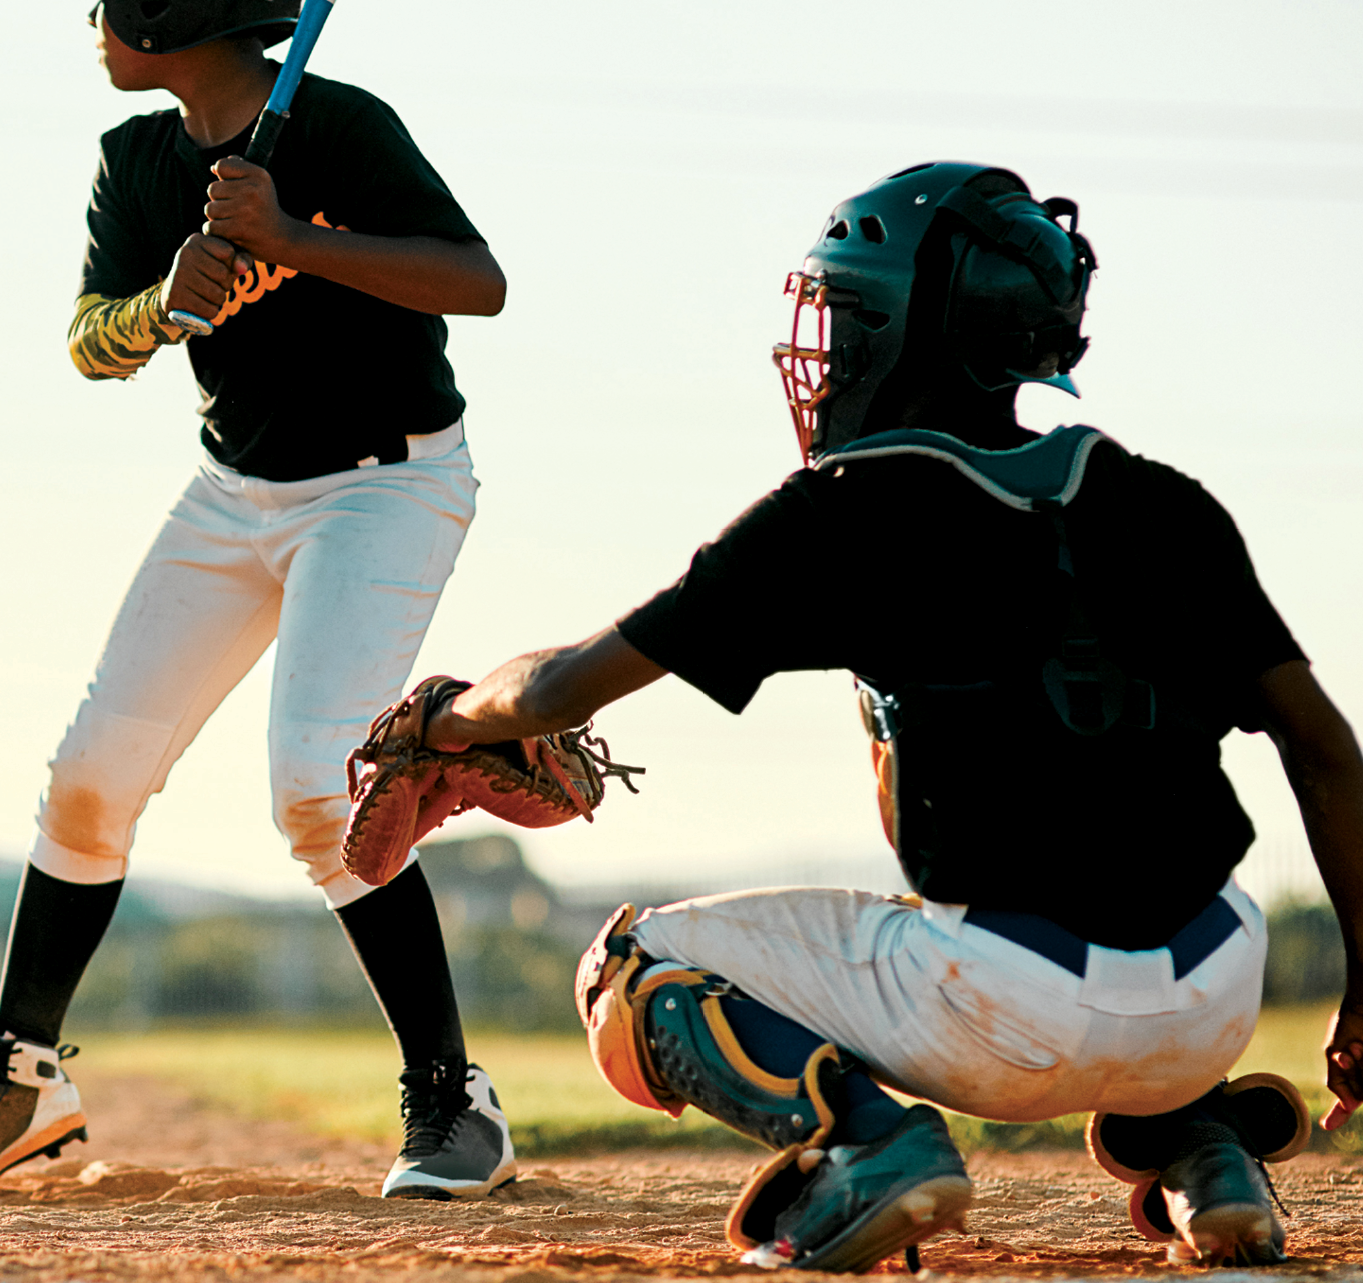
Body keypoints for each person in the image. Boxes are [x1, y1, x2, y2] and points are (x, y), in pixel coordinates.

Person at [403, 161, 1361, 1269]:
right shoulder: (1161, 499)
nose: (828, 348)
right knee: (1122, 988)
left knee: (631, 963)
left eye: (849, 315)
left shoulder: (845, 507)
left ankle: (867, 1145)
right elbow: (1325, 748)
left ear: (911, 329)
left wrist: (448, 718)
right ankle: (1204, 1150)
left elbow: (563, 688)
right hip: (1218, 983)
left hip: (1004, 1002)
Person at [0, 0, 512, 1203]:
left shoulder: (338, 132)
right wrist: (168, 303)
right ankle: (23, 1080)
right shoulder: (136, 163)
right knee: (90, 775)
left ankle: (454, 1099)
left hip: (388, 483)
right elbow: (86, 347)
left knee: (310, 789)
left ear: (169, 7)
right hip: (235, 493)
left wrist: (299, 235)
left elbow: (477, 281)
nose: (94, 13)